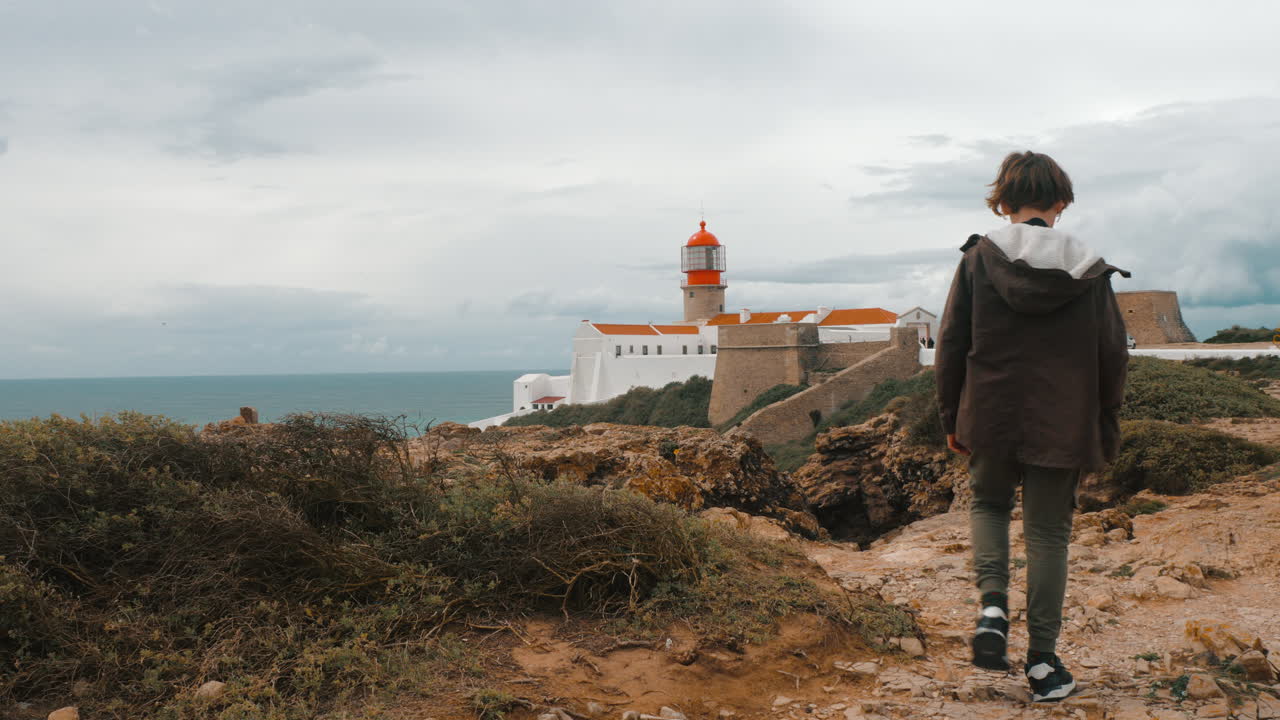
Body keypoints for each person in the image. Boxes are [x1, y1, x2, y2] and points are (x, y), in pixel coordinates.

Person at [935, 151, 1130, 702]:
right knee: (1048, 536)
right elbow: (1113, 354)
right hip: (1064, 421)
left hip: (990, 411)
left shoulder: (979, 257)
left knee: (989, 506)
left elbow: (950, 343)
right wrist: (1104, 422)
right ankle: (1043, 664)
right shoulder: (1089, 269)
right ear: (1061, 203)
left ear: (1002, 202)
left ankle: (992, 606)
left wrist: (953, 417)